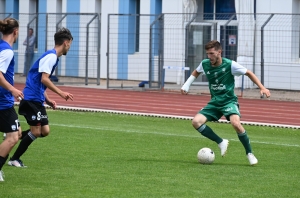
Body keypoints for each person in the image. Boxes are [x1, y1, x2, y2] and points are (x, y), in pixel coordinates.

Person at [181, 40, 271, 165]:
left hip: (229, 101)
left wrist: (262, 87)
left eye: (212, 53)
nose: (209, 57)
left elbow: (248, 72)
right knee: (196, 122)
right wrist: (186, 85)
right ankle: (220, 142)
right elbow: (196, 72)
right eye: (207, 54)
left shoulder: (230, 65)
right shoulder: (205, 64)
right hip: (214, 102)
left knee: (236, 124)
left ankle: (249, 153)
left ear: (219, 52)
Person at [8, 27, 74, 168]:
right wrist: (61, 93)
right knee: (36, 132)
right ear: (66, 43)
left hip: (37, 99)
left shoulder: (51, 57)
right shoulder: (51, 57)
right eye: (70, 44)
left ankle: (16, 134)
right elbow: (44, 79)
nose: (70, 47)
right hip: (31, 99)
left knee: (45, 131)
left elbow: (39, 81)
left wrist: (48, 99)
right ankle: (14, 159)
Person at [0, 18, 24, 181]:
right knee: (13, 137)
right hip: (2, 102)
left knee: (17, 133)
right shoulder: (7, 51)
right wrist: (12, 89)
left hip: (4, 101)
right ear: (15, 31)